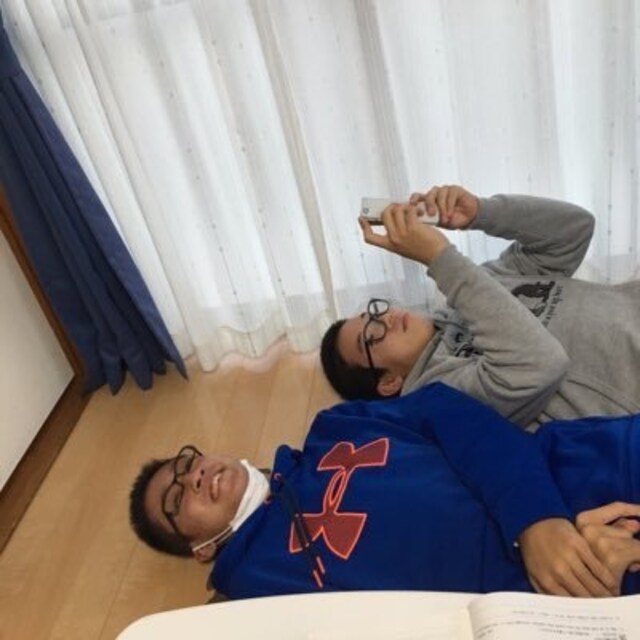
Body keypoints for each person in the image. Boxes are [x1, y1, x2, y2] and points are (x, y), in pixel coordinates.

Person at [130, 383, 640, 601]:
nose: (192, 477)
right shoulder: (261, 587)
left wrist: (536, 520)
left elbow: (445, 410)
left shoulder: (333, 426)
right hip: (571, 591)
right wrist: (572, 591)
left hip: (578, 465)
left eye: (187, 463)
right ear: (200, 550)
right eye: (176, 500)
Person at [320, 185, 640, 430]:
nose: (386, 320)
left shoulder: (467, 295)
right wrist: (439, 259)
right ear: (388, 382)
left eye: (375, 312)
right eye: (371, 337)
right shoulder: (440, 397)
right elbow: (541, 364)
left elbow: (575, 231)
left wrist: (480, 213)